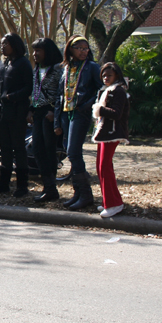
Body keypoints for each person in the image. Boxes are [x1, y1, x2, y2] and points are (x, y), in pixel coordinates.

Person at [54, 36, 102, 210]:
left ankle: (86, 195)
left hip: (80, 114)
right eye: (79, 48)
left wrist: (86, 106)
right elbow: (60, 95)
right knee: (70, 152)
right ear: (70, 49)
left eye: (85, 48)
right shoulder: (66, 68)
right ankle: (78, 194)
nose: (83, 51)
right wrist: (57, 122)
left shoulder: (92, 67)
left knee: (74, 152)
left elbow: (100, 89)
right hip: (66, 114)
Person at [0, 33, 33, 197]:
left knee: (18, 147)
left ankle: (22, 186)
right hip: (2, 111)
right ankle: (3, 184)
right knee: (4, 147)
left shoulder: (23, 64)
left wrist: (11, 97)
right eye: (2, 43)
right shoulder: (3, 63)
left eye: (6, 43)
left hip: (17, 111)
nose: (2, 46)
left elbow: (29, 88)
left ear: (14, 45)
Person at [92, 63, 131, 217]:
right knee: (101, 167)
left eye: (109, 75)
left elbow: (117, 113)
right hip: (104, 133)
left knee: (105, 167)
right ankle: (110, 201)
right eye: (103, 75)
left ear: (117, 76)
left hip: (112, 133)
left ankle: (113, 204)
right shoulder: (107, 90)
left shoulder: (119, 90)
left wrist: (99, 109)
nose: (105, 78)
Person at [28, 38, 64, 203]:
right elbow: (35, 91)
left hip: (50, 113)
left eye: (39, 51)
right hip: (38, 112)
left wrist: (54, 112)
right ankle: (48, 186)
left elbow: (62, 93)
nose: (35, 54)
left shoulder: (58, 69)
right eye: (34, 51)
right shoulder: (37, 69)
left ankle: (51, 189)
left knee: (49, 151)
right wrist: (31, 110)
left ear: (47, 52)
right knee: (37, 150)